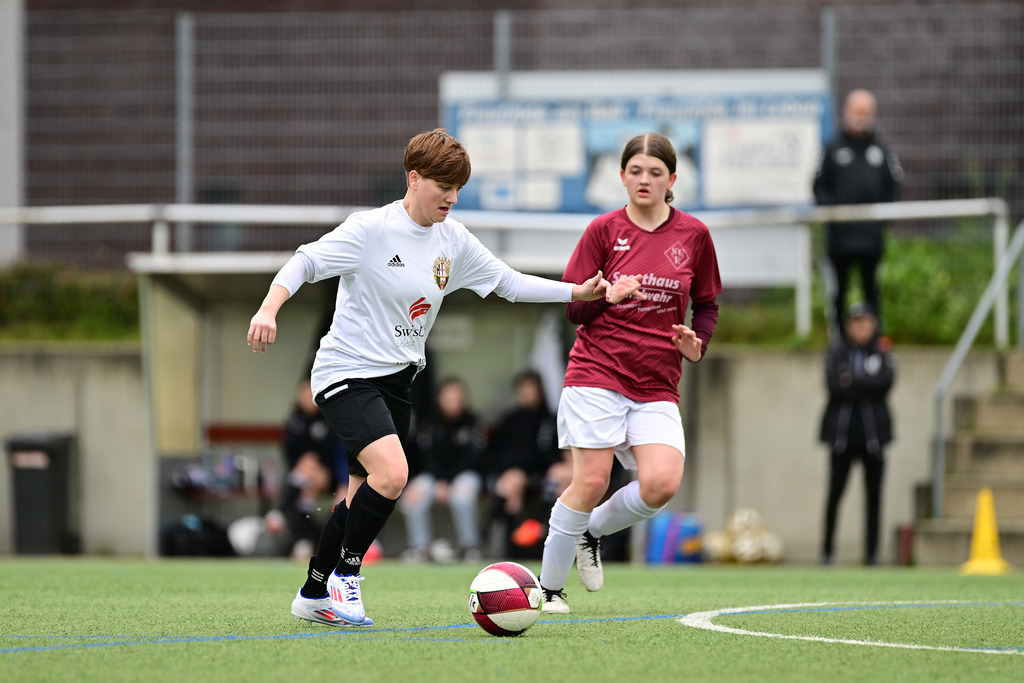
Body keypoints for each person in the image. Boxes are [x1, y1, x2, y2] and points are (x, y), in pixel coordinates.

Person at [246, 128, 610, 627]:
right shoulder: (370, 229)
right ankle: (346, 578)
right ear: (414, 179)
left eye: (458, 187)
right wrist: (268, 309)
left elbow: (507, 282)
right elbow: (306, 260)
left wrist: (577, 294)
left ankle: (311, 594)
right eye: (444, 185)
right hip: (345, 372)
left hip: (397, 381)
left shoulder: (452, 240)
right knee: (393, 474)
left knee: (358, 495)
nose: (452, 198)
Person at [537, 132, 722, 614]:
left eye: (655, 172)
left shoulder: (694, 235)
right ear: (621, 177)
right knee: (592, 480)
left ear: (672, 180)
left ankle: (590, 531)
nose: (644, 180)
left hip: (657, 382)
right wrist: (605, 296)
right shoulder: (602, 231)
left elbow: (706, 306)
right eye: (635, 171)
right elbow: (573, 311)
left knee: (662, 484)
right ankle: (549, 590)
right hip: (597, 372)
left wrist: (696, 346)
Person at [813, 88, 903, 332]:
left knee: (871, 290)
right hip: (840, 238)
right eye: (857, 111)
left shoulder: (881, 149)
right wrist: (834, 214)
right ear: (847, 112)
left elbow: (894, 185)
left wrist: (881, 218)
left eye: (866, 112)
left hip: (871, 238)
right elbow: (819, 186)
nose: (861, 116)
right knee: (839, 291)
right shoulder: (832, 149)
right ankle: (839, 340)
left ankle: (873, 340)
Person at [819, 302, 896, 567]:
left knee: (874, 497)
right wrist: (864, 384)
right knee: (834, 495)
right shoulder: (837, 351)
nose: (861, 328)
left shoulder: (882, 351)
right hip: (842, 439)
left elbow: (885, 383)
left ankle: (872, 554)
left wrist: (853, 381)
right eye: (856, 322)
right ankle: (827, 552)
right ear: (849, 326)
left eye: (866, 322)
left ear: (874, 325)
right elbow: (834, 385)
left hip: (873, 439)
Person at [398, 376, 487, 563]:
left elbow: (474, 458)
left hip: (465, 475)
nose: (453, 402)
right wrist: (440, 481)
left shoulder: (474, 423)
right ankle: (420, 548)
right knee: (412, 497)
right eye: (449, 397)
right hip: (434, 477)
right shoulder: (428, 423)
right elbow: (425, 457)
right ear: (440, 398)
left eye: (457, 398)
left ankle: (470, 546)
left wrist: (449, 481)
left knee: (462, 496)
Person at [486, 369, 568, 558]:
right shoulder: (509, 420)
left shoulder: (549, 420)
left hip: (539, 476)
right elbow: (497, 453)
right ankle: (506, 547)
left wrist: (521, 474)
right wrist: (508, 474)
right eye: (524, 390)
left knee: (521, 486)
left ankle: (532, 543)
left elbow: (549, 456)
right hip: (508, 476)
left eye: (532, 389)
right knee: (506, 490)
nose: (528, 394)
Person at [279, 377, 348, 562]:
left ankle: (280, 513)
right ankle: (307, 539)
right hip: (306, 478)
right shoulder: (295, 421)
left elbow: (337, 454)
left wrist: (339, 479)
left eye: (311, 391)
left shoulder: (331, 419)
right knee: (305, 491)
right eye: (303, 392)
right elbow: (289, 454)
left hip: (334, 477)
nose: (307, 396)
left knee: (309, 470)